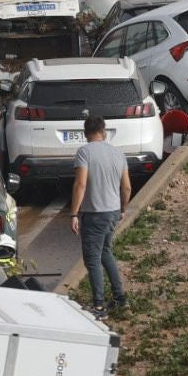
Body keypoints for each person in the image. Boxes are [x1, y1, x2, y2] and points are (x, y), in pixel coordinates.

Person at [71, 115, 131, 316]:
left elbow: (80, 184)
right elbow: (127, 187)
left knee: (93, 259)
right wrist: (123, 209)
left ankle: (99, 305)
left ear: (85, 134)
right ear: (103, 132)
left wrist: (74, 214)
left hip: (95, 213)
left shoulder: (84, 152)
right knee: (105, 252)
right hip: (113, 211)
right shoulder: (118, 153)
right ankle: (120, 298)